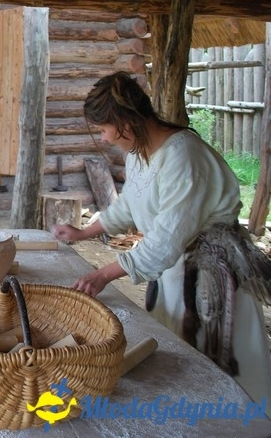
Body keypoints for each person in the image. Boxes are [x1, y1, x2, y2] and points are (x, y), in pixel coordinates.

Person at [52, 71, 271, 413]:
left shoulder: (183, 157)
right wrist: (83, 233)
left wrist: (103, 274)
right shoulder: (139, 153)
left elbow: (165, 242)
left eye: (104, 128)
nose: (105, 138)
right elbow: (131, 205)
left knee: (220, 375)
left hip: (209, 280)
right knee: (178, 364)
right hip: (173, 271)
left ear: (126, 121)